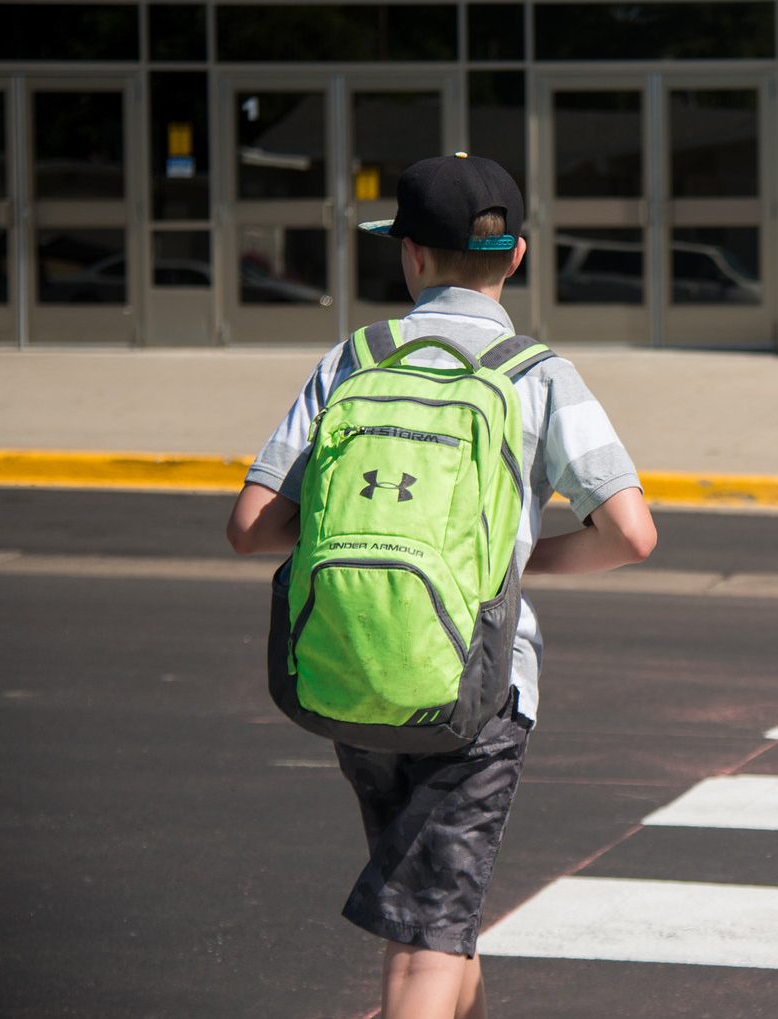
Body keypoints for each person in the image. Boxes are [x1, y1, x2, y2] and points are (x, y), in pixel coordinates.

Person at [226, 153, 657, 1019]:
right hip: (477, 683)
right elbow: (631, 532)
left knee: (435, 905)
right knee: (427, 930)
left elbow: (250, 526)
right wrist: (512, 557)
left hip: (352, 666)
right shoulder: (537, 371)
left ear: (410, 256)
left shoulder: (354, 356)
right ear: (519, 254)